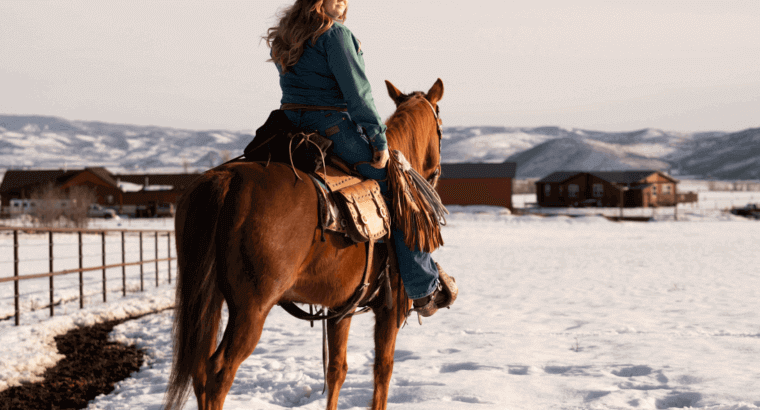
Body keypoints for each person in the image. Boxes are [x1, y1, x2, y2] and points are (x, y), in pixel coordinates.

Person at [264, 0, 453, 316]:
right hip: (332, 128)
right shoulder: (335, 34)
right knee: (400, 191)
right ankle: (423, 288)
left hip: (286, 126)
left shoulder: (287, 35)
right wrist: (378, 141)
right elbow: (358, 95)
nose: (341, 2)